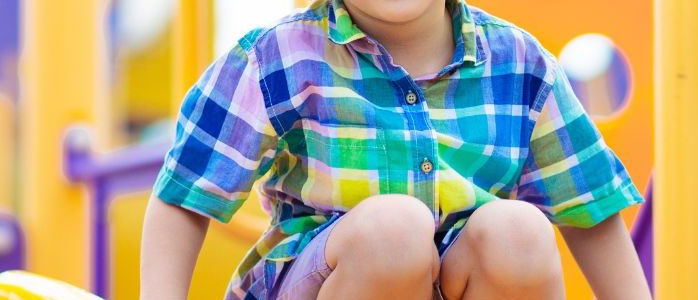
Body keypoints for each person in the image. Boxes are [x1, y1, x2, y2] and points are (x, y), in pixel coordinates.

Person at [139, 0, 649, 298]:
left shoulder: (520, 64)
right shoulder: (279, 57)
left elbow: (589, 209)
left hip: (456, 277)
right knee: (394, 232)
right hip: (330, 278)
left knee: (519, 231)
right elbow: (186, 193)